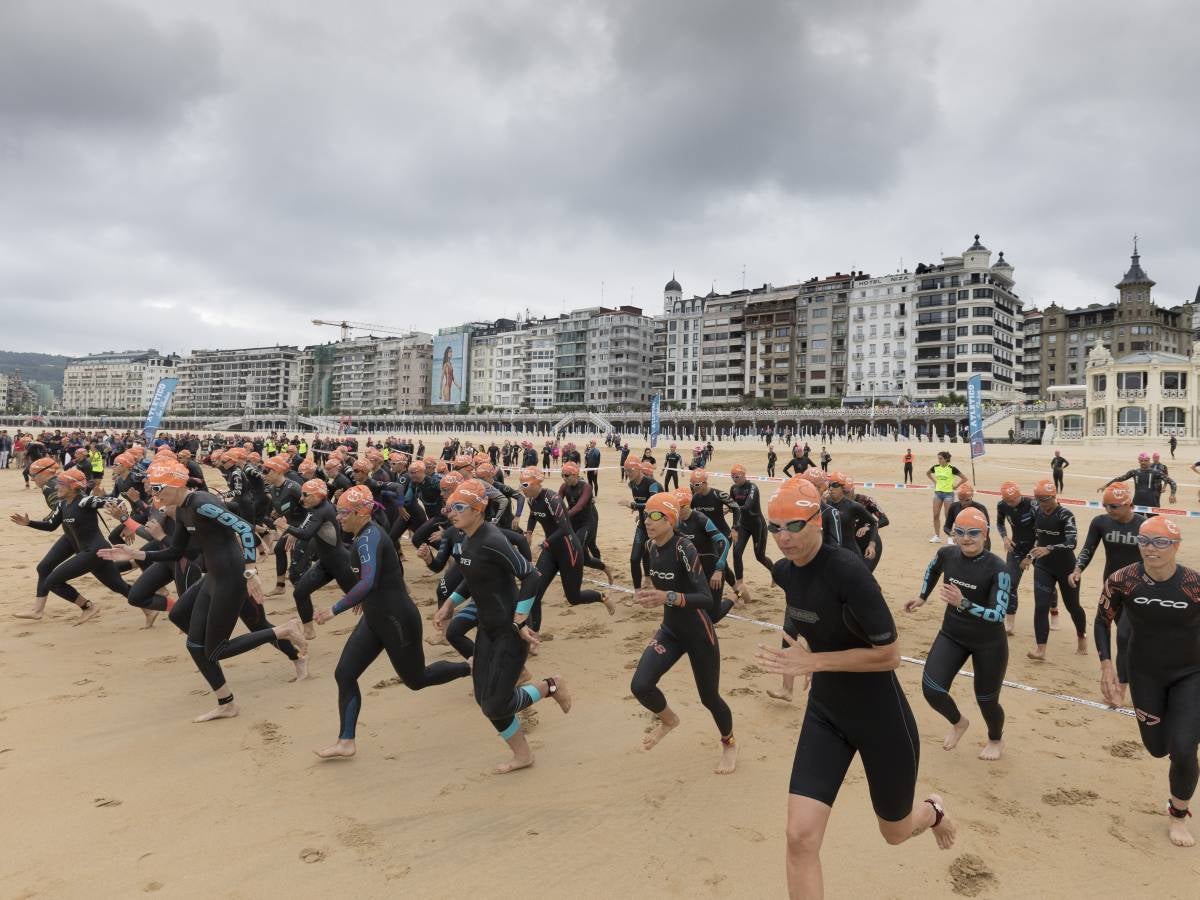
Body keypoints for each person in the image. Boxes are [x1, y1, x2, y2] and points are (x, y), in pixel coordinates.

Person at [756, 479, 955, 899]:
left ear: (818, 522)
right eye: (774, 527)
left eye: (793, 525)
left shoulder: (847, 570)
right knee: (799, 838)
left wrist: (814, 661)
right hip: (827, 713)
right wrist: (810, 650)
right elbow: (824, 623)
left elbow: (890, 655)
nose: (783, 537)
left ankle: (933, 812)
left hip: (879, 717)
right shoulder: (787, 573)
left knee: (896, 832)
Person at [100, 461, 307, 722]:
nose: (154, 494)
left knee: (215, 648)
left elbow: (243, 527)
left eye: (158, 488)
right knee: (187, 630)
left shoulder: (201, 503)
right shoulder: (184, 510)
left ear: (175, 484)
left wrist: (251, 571)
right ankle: (226, 703)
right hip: (214, 577)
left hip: (232, 577)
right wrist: (137, 553)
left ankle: (284, 630)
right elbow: (176, 551)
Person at [311, 485, 471, 760]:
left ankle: (470, 665)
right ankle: (346, 740)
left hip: (397, 618)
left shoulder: (368, 539)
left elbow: (368, 580)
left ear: (362, 513)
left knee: (417, 680)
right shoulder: (363, 534)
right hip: (375, 618)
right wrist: (365, 597)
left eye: (344, 513)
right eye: (338, 512)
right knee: (344, 674)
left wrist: (335, 609)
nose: (338, 518)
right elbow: (385, 576)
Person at [432, 480, 572, 774]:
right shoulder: (467, 538)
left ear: (478, 510)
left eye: (459, 508)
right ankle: (523, 756)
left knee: (498, 703)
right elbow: (473, 577)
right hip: (488, 628)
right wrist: (450, 604)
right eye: (451, 507)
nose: (452, 513)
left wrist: (520, 618)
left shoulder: (492, 539)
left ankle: (550, 685)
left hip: (511, 629)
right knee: (485, 701)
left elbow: (531, 575)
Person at [1096, 516, 1200, 848]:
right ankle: (1180, 737)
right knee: (1158, 748)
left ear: (1176, 546)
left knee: (1184, 749)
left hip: (1190, 673)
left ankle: (1178, 813)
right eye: (1144, 541)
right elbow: (1103, 622)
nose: (1150, 549)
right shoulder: (1123, 581)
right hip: (1145, 674)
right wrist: (1107, 666)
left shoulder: (1194, 585)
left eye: (1160, 542)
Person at [630, 492, 737, 775]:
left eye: (655, 515)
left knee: (709, 698)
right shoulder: (651, 547)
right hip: (671, 630)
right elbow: (656, 582)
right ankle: (668, 720)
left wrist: (668, 597)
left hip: (699, 632)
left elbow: (704, 598)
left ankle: (729, 743)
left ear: (670, 519)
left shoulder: (683, 549)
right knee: (640, 686)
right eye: (646, 515)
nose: (648, 520)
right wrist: (650, 591)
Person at [906, 507, 1010, 761]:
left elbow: (998, 614)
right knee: (932, 689)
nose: (966, 538)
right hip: (953, 634)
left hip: (989, 643)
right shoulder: (947, 554)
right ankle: (958, 722)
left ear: (985, 535)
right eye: (960, 532)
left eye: (973, 533)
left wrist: (963, 603)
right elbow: (932, 569)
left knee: (987, 700)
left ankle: (995, 738)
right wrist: (922, 596)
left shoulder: (998, 568)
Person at [10, 466, 129, 623]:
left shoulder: (86, 500)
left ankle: (90, 606)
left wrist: (126, 523)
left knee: (116, 585)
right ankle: (148, 606)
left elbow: (117, 501)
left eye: (62, 484)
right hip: (79, 543)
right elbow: (51, 525)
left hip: (93, 548)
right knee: (117, 585)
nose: (57, 486)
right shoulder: (62, 503)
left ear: (73, 486)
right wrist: (29, 523)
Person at [519, 466, 614, 629]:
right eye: (521, 485)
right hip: (551, 552)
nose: (522, 489)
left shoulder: (552, 498)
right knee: (535, 592)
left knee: (574, 597)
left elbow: (564, 529)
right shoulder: (531, 499)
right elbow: (534, 514)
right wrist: (529, 532)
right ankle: (534, 633)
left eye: (525, 485)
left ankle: (601, 596)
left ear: (536, 483)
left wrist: (543, 544)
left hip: (569, 550)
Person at [1070, 484, 1144, 684]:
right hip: (1111, 586)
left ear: (1130, 505)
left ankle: (1123, 682)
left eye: (1114, 506)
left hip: (1137, 587)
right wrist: (1078, 569)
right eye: (1105, 506)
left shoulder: (1143, 525)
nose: (1108, 510)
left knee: (1124, 634)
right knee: (1123, 631)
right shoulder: (1100, 523)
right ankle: (1130, 669)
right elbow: (1088, 548)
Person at [1024, 479, 1087, 661]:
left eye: (1044, 499)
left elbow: (1071, 542)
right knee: (1041, 606)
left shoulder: (1065, 514)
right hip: (1044, 566)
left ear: (1054, 497)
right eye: (1037, 499)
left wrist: (1049, 548)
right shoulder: (1037, 510)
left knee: (1072, 606)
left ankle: (1081, 636)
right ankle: (1040, 649)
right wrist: (1031, 555)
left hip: (1066, 568)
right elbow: (1038, 537)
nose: (1040, 503)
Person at [728, 463, 775, 601]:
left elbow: (747, 506)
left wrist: (732, 508)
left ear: (744, 475)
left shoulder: (752, 487)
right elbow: (734, 508)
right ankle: (740, 584)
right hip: (743, 525)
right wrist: (734, 525)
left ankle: (775, 572)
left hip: (757, 525)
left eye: (737, 476)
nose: (735, 479)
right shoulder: (733, 488)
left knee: (759, 556)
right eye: (732, 477)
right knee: (736, 553)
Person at [995, 481, 1036, 635]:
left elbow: (1041, 532)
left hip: (1037, 548)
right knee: (1009, 584)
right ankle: (1009, 623)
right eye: (1007, 501)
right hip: (1016, 547)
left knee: (1046, 584)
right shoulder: (1002, 505)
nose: (1010, 504)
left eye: (1013, 500)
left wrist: (1030, 556)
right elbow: (999, 523)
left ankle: (1054, 611)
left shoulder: (1033, 505)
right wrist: (1005, 537)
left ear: (1020, 495)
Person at [624, 459, 662, 589]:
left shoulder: (653, 484)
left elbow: (654, 504)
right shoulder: (632, 484)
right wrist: (639, 514)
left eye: (630, 471)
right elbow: (644, 505)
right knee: (634, 558)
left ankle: (654, 581)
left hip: (659, 526)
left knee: (659, 558)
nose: (628, 474)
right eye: (626, 471)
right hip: (643, 524)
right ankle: (638, 590)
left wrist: (634, 505)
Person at [1100, 452, 1177, 510]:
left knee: (1152, 526)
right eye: (1142, 460)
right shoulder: (1134, 472)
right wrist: (1106, 485)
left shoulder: (1156, 472)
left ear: (1149, 461)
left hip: (1152, 503)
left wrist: (1172, 494)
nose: (1143, 462)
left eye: (1146, 460)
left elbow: (1172, 482)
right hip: (1137, 502)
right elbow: (1120, 479)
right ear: (1139, 461)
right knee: (1136, 525)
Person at [926, 452, 965, 542]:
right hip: (938, 493)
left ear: (946, 459)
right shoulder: (935, 467)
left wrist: (956, 486)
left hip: (948, 494)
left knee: (948, 516)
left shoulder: (952, 469)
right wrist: (934, 481)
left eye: (941, 458)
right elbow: (928, 473)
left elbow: (964, 478)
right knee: (935, 515)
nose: (939, 460)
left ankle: (950, 537)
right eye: (938, 458)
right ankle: (937, 536)